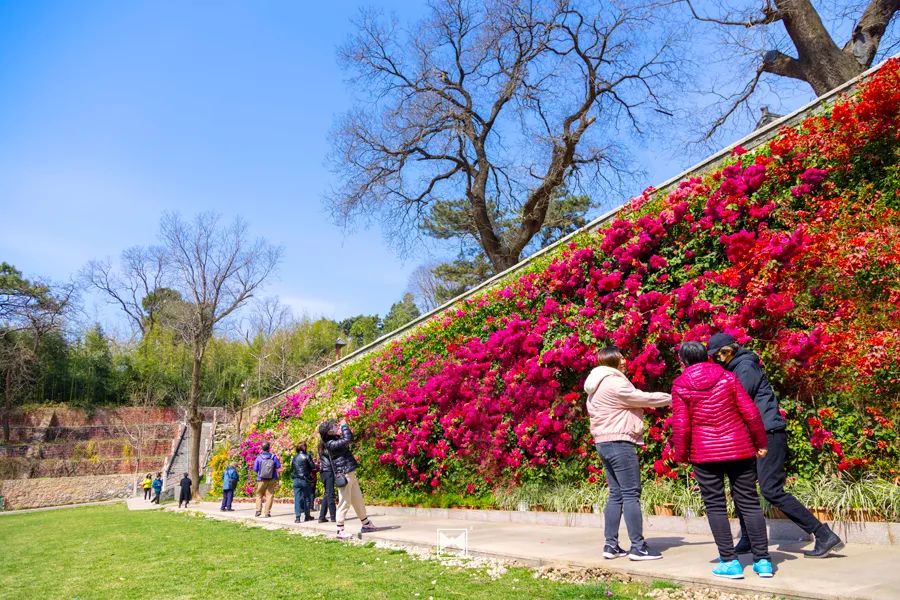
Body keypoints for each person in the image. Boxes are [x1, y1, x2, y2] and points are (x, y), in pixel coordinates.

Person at [707, 333, 844, 558]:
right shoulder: (735, 368)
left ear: (729, 350)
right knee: (741, 489)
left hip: (768, 434)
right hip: (752, 436)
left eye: (718, 355)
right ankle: (749, 538)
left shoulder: (745, 367)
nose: (717, 360)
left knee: (771, 489)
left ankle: (822, 534)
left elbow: (736, 400)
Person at [672, 341, 773, 579]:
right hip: (739, 448)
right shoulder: (727, 377)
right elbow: (750, 411)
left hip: (704, 453)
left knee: (715, 506)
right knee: (749, 502)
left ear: (682, 361)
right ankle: (763, 562)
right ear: (707, 356)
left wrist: (681, 455)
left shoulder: (680, 384)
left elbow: (681, 424)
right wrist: (760, 443)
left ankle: (729, 562)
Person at [584, 346, 672, 561]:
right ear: (612, 361)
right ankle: (638, 548)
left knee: (616, 494)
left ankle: (611, 545)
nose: (625, 362)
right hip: (619, 442)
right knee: (631, 493)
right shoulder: (614, 382)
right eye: (621, 358)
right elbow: (643, 399)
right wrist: (672, 397)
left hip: (603, 442)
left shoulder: (595, 385)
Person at [319, 418, 376, 539]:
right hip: (344, 474)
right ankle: (340, 530)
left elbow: (350, 438)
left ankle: (366, 524)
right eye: (333, 426)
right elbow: (348, 439)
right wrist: (344, 427)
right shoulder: (330, 444)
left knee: (357, 499)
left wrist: (343, 430)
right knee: (344, 502)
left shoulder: (334, 439)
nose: (335, 426)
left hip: (350, 472)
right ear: (328, 431)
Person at [253, 442, 282, 518]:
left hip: (261, 479)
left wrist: (261, 472)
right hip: (272, 479)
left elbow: (255, 469)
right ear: (269, 448)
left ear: (262, 448)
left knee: (259, 495)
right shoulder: (273, 457)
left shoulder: (259, 457)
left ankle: (258, 511)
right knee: (269, 496)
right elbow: (278, 466)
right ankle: (267, 513)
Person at [291, 442, 316, 523]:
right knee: (307, 498)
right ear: (304, 447)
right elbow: (313, 467)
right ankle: (307, 516)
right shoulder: (307, 456)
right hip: (305, 479)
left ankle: (297, 517)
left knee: (297, 498)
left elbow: (293, 468)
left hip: (296, 479)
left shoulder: (294, 457)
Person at [317, 448, 337, 523]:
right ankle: (333, 516)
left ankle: (322, 517)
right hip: (328, 471)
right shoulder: (326, 448)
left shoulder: (322, 447)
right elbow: (333, 455)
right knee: (330, 493)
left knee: (327, 494)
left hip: (324, 472)